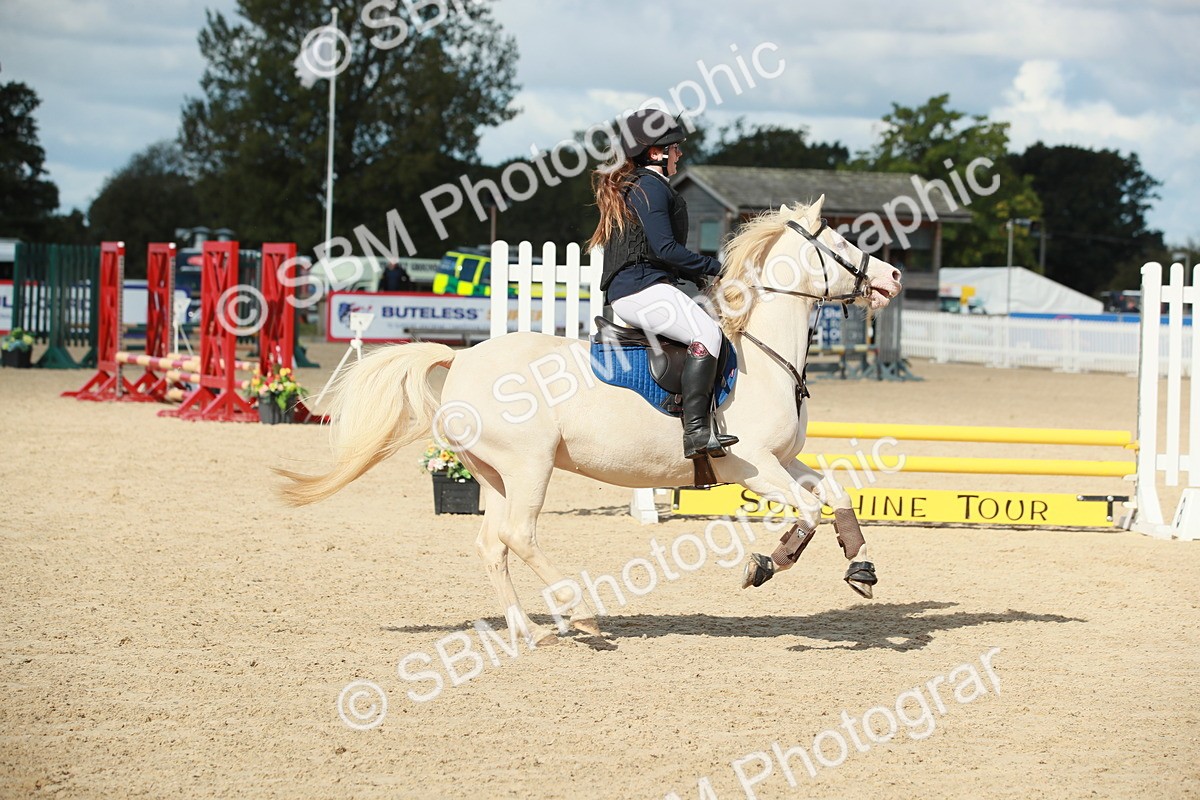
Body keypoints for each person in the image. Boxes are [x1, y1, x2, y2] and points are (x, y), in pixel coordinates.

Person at [587, 108, 737, 460]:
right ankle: (697, 432)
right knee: (708, 335)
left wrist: (700, 275)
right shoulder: (648, 187)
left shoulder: (645, 185)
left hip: (642, 285)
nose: (679, 154)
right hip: (639, 289)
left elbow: (661, 256)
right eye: (675, 147)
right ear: (655, 152)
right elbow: (666, 249)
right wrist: (719, 269)